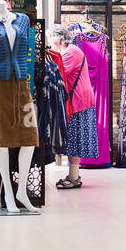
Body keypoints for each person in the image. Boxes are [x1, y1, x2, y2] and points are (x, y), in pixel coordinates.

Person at [51, 24, 96, 189]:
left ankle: (74, 177)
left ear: (59, 39)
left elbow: (58, 72)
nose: (50, 44)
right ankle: (73, 175)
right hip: (79, 99)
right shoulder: (72, 50)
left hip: (79, 100)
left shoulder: (71, 52)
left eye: (51, 40)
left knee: (74, 139)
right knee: (73, 139)